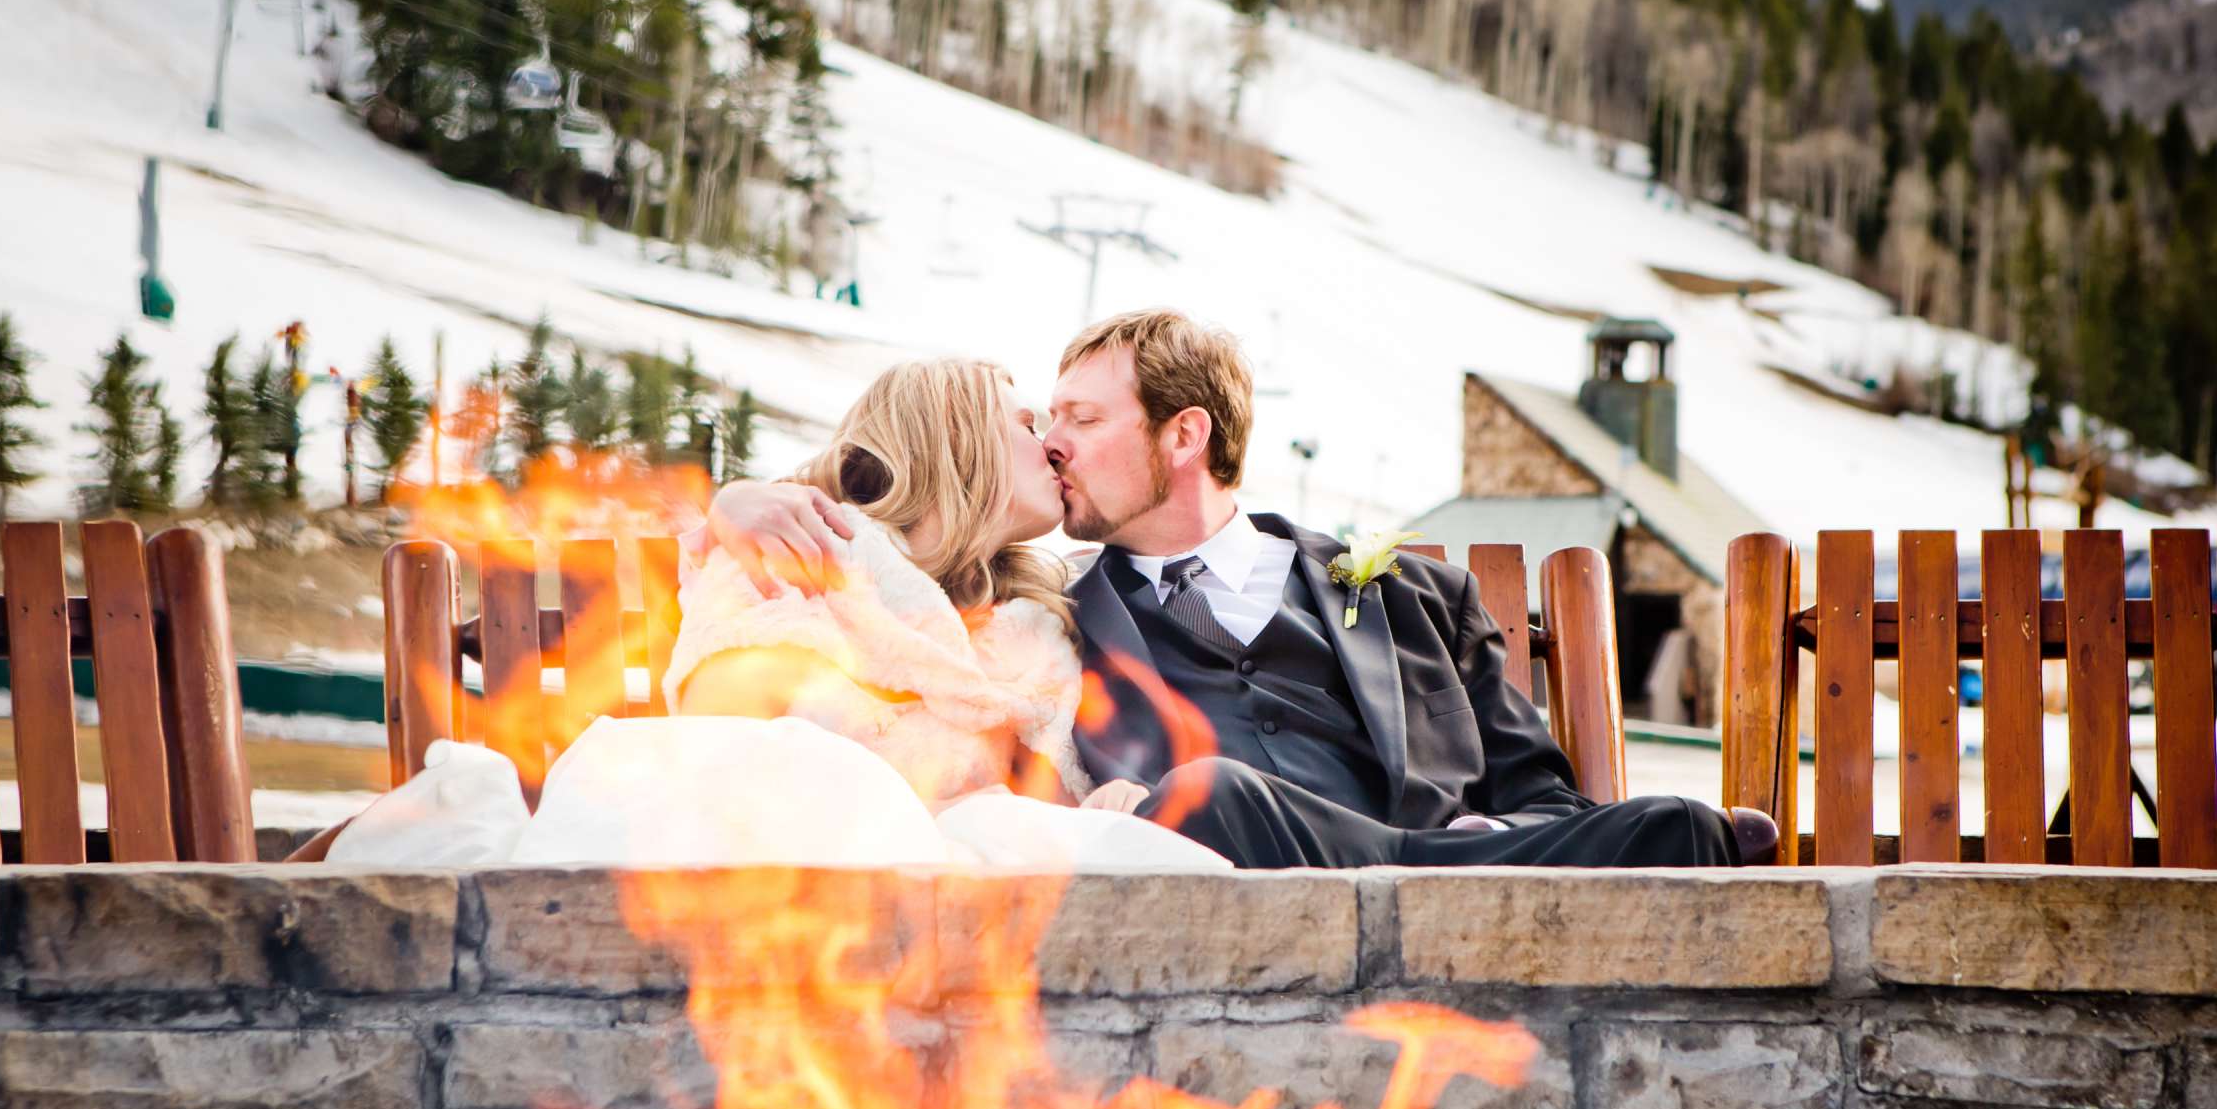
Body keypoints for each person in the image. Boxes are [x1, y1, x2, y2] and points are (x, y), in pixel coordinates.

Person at [707, 311, 1779, 871]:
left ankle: (1435, 866)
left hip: (1460, 901)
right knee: (1208, 793)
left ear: (1184, 436)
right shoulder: (1061, 619)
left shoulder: (1412, 597)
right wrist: (737, 498)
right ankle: (1426, 866)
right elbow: (898, 552)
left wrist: (1500, 846)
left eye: (1080, 418)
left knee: (1658, 825)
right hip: (1226, 880)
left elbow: (1544, 802)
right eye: (1042, 420)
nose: (1053, 442)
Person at [311, 357, 1230, 873]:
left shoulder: (1041, 627)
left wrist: (1096, 803)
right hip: (773, 858)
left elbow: (1050, 790)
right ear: (953, 436)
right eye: (1026, 421)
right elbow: (739, 720)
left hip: (941, 901)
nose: (1054, 444)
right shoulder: (800, 547)